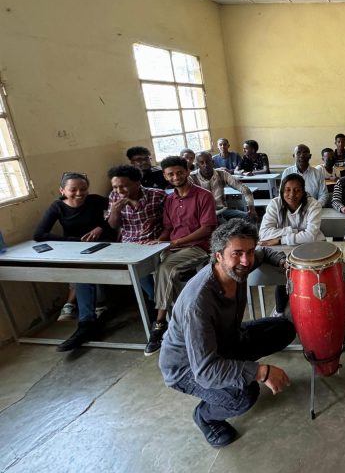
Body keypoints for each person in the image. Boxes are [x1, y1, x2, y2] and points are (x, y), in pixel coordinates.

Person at [159, 219, 295, 448]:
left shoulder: (240, 265)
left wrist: (283, 262)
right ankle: (205, 416)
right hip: (189, 367)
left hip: (226, 341)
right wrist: (261, 371)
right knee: (244, 394)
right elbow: (205, 370)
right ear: (218, 255)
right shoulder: (198, 303)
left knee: (283, 328)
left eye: (248, 252)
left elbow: (262, 252)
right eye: (237, 253)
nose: (246, 260)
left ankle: (233, 372)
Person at [144, 156, 218, 356]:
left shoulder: (204, 196)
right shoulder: (169, 200)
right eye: (170, 174)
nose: (175, 177)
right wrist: (159, 241)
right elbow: (168, 228)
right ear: (165, 176)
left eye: (179, 172)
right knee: (163, 270)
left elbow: (207, 228)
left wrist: (175, 243)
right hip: (174, 248)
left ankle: (159, 322)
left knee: (167, 268)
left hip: (199, 246)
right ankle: (186, 319)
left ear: (187, 171)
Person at [34, 172, 115, 350]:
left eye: (83, 189)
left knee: (86, 274)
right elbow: (39, 234)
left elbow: (116, 214)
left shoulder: (94, 200)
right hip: (77, 250)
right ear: (62, 190)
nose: (79, 193)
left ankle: (88, 316)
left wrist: (101, 227)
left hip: (105, 247)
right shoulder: (57, 206)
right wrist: (75, 241)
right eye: (73, 190)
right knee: (83, 273)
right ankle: (86, 322)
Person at [259, 174, 324, 317]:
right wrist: (293, 231)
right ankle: (280, 311)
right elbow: (264, 233)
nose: (291, 194)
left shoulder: (313, 205)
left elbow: (310, 236)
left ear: (303, 191)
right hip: (286, 250)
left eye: (297, 190)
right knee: (283, 276)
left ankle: (311, 310)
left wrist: (280, 239)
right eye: (287, 190)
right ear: (282, 191)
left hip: (312, 248)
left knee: (312, 279)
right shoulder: (275, 204)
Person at [107, 164, 166, 307]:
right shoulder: (114, 197)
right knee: (140, 273)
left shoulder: (157, 195)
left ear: (138, 183)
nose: (119, 191)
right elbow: (113, 225)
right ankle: (156, 302)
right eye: (115, 187)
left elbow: (171, 222)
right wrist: (115, 211)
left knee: (163, 273)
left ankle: (160, 303)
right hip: (130, 245)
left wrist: (155, 221)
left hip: (156, 242)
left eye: (123, 186)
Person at [189, 151, 258, 224]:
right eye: (201, 162)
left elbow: (244, 189)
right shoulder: (192, 178)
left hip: (223, 211)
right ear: (197, 165)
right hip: (204, 214)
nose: (205, 165)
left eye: (208, 161)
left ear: (213, 162)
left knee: (251, 217)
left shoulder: (222, 174)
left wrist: (251, 208)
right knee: (225, 227)